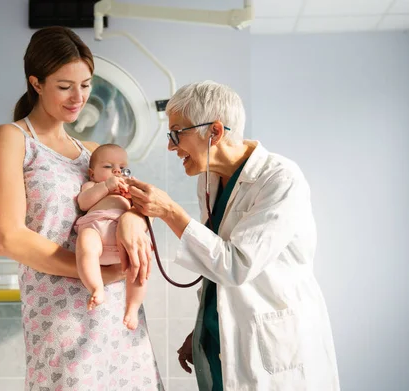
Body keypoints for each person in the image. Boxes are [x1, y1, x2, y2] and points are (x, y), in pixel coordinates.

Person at [126, 80, 341, 390]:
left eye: (177, 134)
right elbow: (213, 263)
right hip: (223, 335)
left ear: (214, 131)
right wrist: (204, 327)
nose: (171, 146)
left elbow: (236, 264)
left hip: (273, 344)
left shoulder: (280, 179)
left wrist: (170, 212)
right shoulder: (209, 178)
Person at [0, 26, 163, 390]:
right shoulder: (13, 138)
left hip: (119, 315)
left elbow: (121, 203)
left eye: (85, 85)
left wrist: (132, 218)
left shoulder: (92, 151)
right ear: (36, 83)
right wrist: (94, 273)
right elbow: (8, 238)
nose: (78, 97)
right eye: (64, 86)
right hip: (61, 319)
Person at [74, 143, 147, 330]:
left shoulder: (129, 190)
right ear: (92, 173)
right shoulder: (92, 186)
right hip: (97, 231)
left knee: (139, 266)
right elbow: (83, 203)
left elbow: (147, 213)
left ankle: (132, 308)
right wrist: (106, 186)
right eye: (108, 167)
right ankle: (96, 287)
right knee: (85, 244)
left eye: (122, 168)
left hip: (125, 240)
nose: (116, 172)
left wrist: (135, 194)